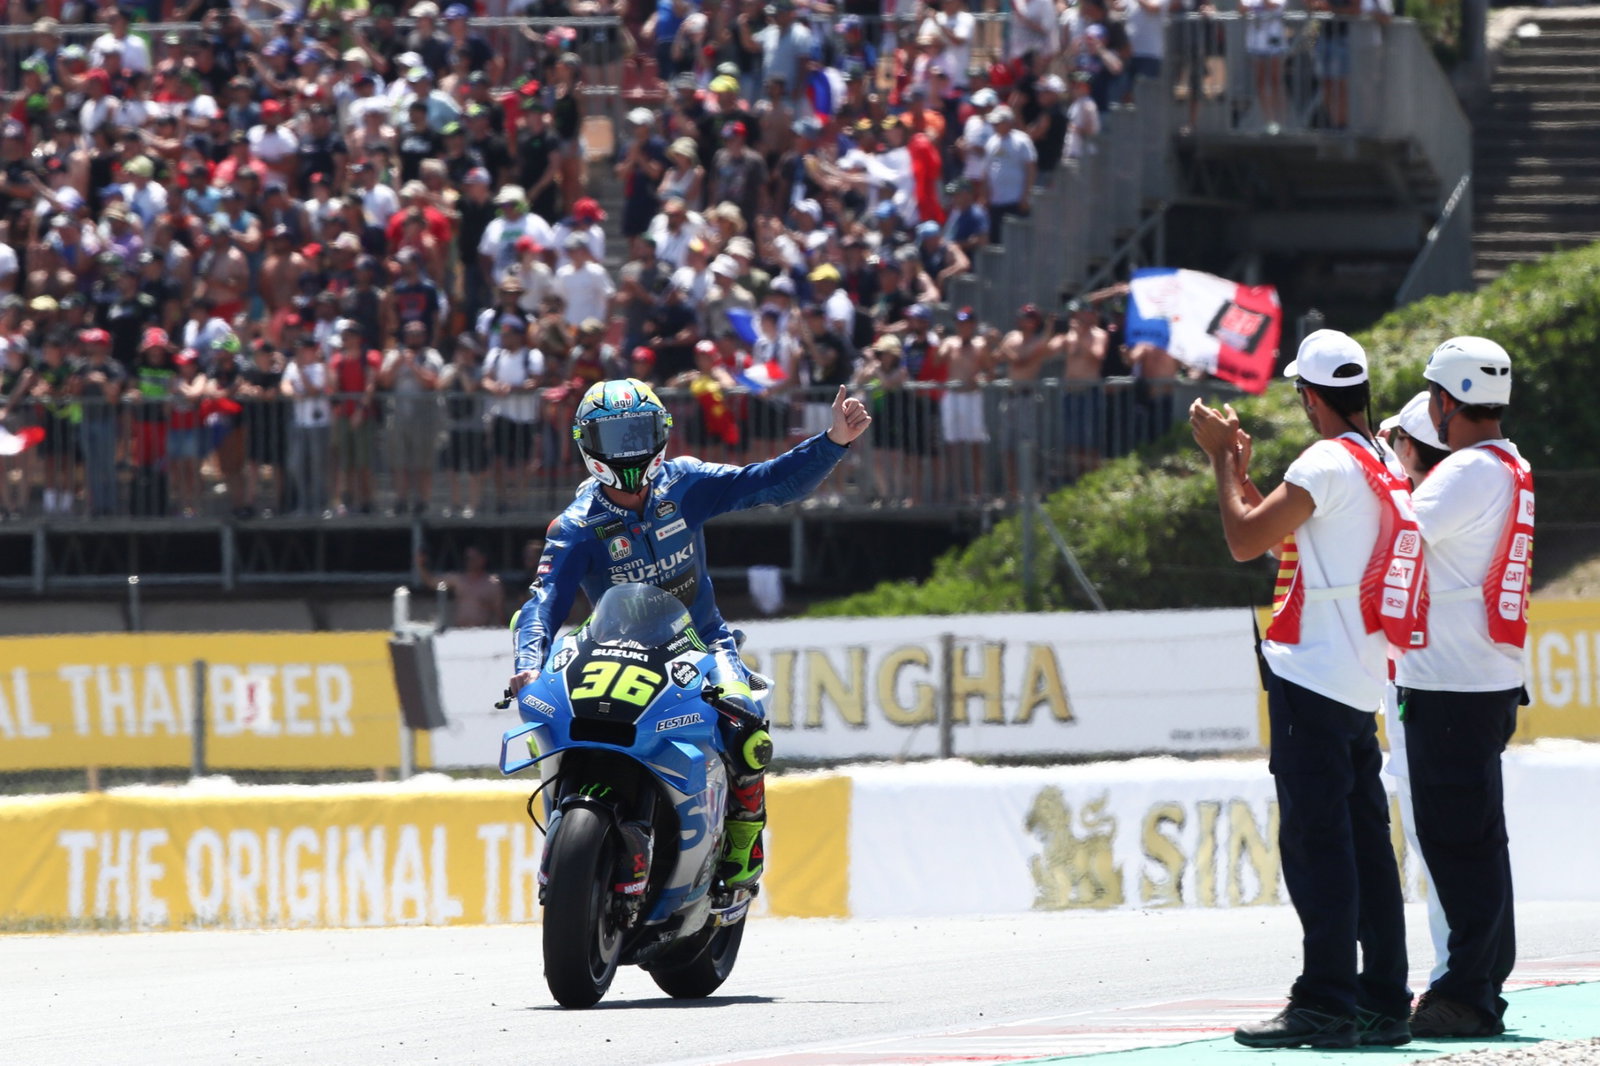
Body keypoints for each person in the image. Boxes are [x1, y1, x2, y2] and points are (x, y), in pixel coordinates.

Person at [509, 378, 871, 889]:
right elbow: (542, 603)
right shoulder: (574, 527)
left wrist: (833, 441)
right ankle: (568, 834)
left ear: (661, 433)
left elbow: (770, 482)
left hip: (702, 643)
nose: (628, 450)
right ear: (587, 444)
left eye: (638, 433)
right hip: (610, 651)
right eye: (614, 437)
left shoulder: (685, 483)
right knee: (561, 721)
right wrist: (528, 664)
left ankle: (744, 839)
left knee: (746, 725)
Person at [1189, 330, 1416, 1050]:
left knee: (1318, 845)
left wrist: (1220, 462)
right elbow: (1298, 536)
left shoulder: (1323, 460)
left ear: (1310, 397)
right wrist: (1244, 476)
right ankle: (1384, 998)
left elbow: (1244, 541)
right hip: (1358, 676)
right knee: (1365, 843)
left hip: (1312, 674)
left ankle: (1325, 999)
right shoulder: (1380, 459)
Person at [1396, 337, 1531, 1039]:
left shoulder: (1468, 472)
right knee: (1477, 839)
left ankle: (1466, 993)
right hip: (1485, 680)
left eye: (1432, 400)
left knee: (1455, 844)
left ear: (1448, 401)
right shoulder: (1508, 463)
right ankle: (1481, 982)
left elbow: (1393, 536)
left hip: (1451, 685)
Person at [1375, 389, 1452, 992]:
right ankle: (1460, 972)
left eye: (1397, 439)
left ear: (1409, 449)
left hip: (1423, 686)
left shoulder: (1418, 509)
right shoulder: (1449, 496)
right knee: (1446, 838)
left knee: (1436, 838)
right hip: (1434, 684)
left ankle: (1454, 973)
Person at [417, 544, 504, 627]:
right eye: (467, 558)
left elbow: (500, 614)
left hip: (482, 631)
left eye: (473, 558)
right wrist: (421, 565)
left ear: (482, 559)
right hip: (460, 631)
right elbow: (431, 582)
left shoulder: (492, 584)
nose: (470, 561)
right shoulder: (458, 580)